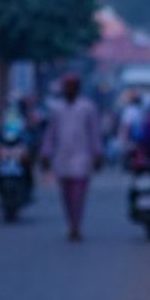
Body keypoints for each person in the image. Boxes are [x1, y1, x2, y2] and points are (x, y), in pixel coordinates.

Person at [41, 73, 103, 241]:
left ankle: (76, 225)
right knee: (66, 195)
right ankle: (71, 224)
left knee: (78, 194)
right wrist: (45, 153)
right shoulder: (56, 109)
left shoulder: (87, 108)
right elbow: (50, 134)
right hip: (62, 156)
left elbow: (94, 133)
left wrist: (97, 153)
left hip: (82, 156)